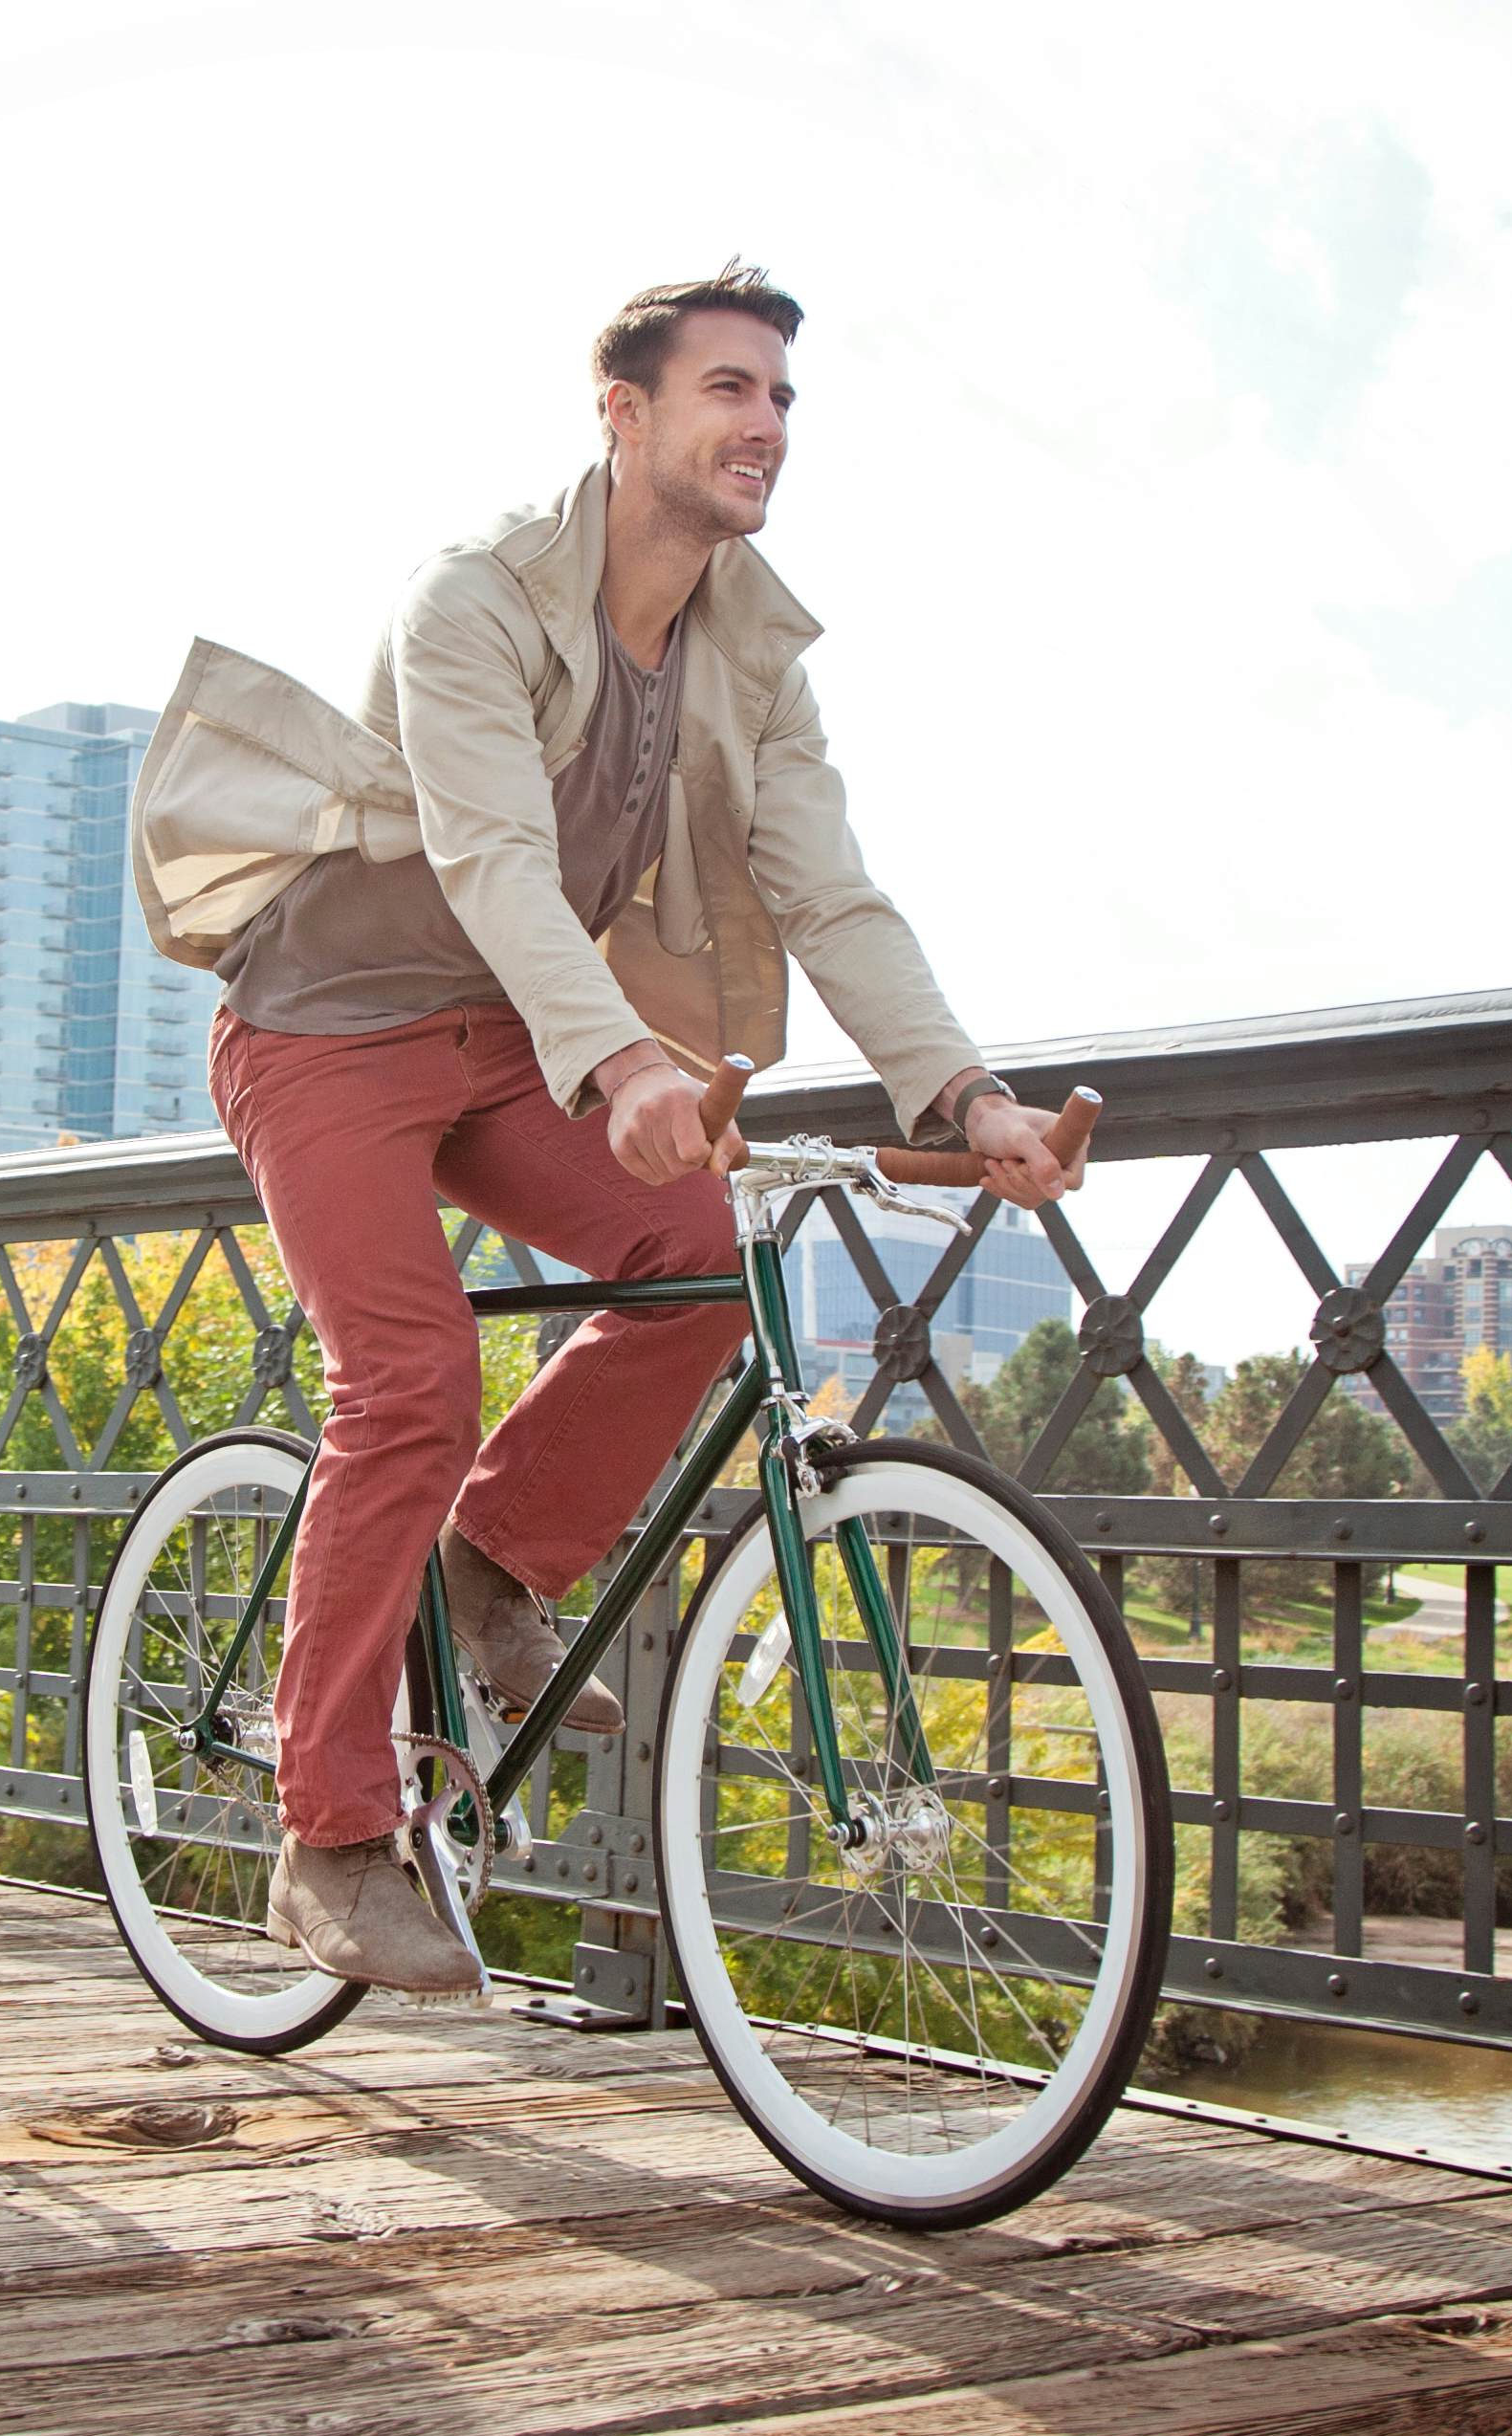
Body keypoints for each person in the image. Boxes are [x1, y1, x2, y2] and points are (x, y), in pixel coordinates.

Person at [131, 263, 1086, 1992]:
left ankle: (493, 1557)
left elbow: (831, 890)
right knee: (408, 1380)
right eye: (731, 390)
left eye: (784, 398)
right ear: (624, 411)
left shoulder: (754, 651)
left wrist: (964, 1091)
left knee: (707, 1266)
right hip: (329, 1030)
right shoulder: (473, 599)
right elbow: (493, 857)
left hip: (508, 1040)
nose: (768, 427)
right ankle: (327, 1834)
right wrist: (628, 1065)